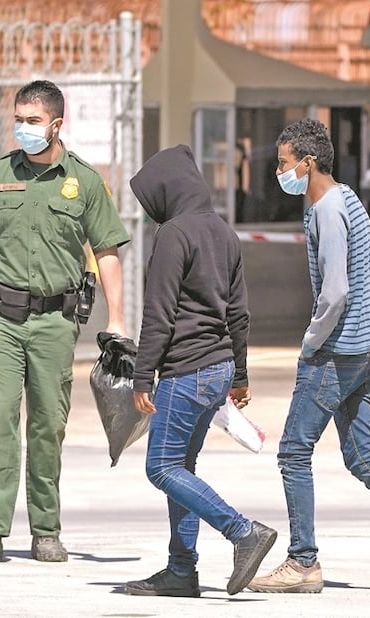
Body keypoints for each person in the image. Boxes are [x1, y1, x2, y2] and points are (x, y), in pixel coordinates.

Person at [247, 118, 370, 595]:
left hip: (336, 350)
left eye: (284, 164)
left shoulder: (327, 210)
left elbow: (335, 291)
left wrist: (310, 342)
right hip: (361, 346)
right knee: (362, 457)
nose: (280, 173)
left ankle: (302, 561)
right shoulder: (345, 198)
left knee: (294, 453)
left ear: (308, 162)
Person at [0, 79, 130, 564]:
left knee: (49, 424)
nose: (23, 129)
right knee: (0, 417)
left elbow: (108, 250)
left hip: (56, 322)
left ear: (56, 124)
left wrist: (118, 317)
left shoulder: (85, 182)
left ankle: (45, 529)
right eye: (19, 119)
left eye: (33, 121)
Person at [124, 145, 277, 598]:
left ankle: (243, 532)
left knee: (161, 467)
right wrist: (241, 374)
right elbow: (239, 312)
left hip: (185, 370)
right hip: (217, 367)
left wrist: (142, 375)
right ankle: (181, 570)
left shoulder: (174, 234)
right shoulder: (223, 231)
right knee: (182, 466)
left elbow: (159, 313)